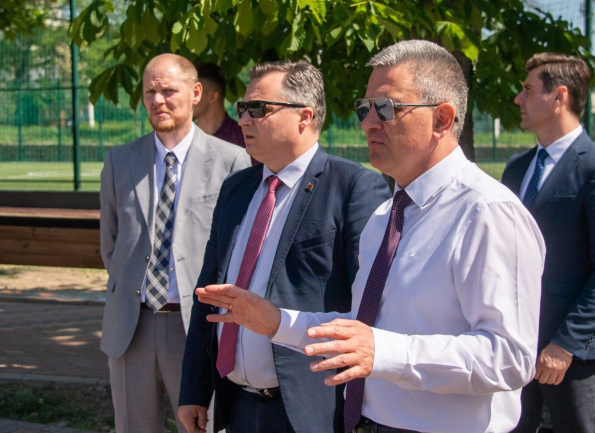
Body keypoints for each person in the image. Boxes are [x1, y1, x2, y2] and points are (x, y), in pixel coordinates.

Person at [194, 40, 546, 433]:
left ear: (442, 119)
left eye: (386, 108)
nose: (368, 123)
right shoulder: (386, 217)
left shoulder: (486, 212)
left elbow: (510, 358)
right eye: (365, 108)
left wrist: (385, 352)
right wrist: (278, 322)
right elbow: (362, 328)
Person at [178, 60, 391, 433]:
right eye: (242, 109)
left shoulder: (353, 187)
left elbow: (371, 308)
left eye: (257, 109)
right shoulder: (236, 189)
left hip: (311, 410)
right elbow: (209, 295)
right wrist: (194, 390)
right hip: (238, 406)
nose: (243, 121)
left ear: (304, 116)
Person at [99, 53, 250, 433]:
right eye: (150, 92)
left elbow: (237, 249)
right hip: (131, 326)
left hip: (197, 326)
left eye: (168, 91)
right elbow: (111, 244)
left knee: (202, 427)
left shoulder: (232, 160)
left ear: (196, 93)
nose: (158, 100)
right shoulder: (119, 160)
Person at [502, 53, 595, 432]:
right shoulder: (516, 168)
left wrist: (566, 344)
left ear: (559, 96)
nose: (518, 99)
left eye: (528, 90)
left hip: (569, 356)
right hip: (512, 346)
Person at [193, 62, 247, 149]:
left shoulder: (244, 138)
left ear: (213, 96)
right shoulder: (181, 139)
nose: (187, 98)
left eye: (195, 92)